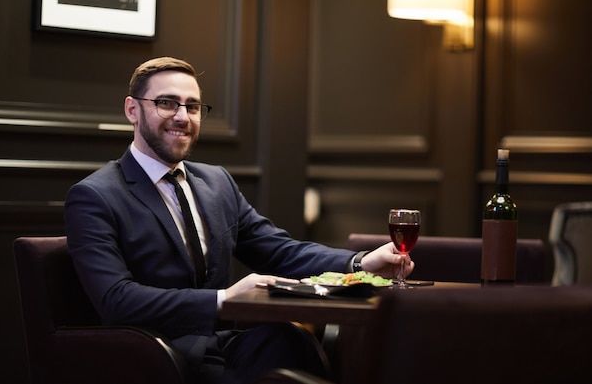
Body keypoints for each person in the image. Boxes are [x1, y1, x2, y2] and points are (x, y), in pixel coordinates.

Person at [64, 56, 413, 383]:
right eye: (167, 103)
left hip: (228, 340)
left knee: (297, 344)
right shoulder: (95, 196)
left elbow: (279, 251)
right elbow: (116, 299)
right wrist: (224, 298)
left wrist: (361, 262)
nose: (183, 116)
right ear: (132, 110)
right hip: (161, 354)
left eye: (193, 106)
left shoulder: (216, 182)